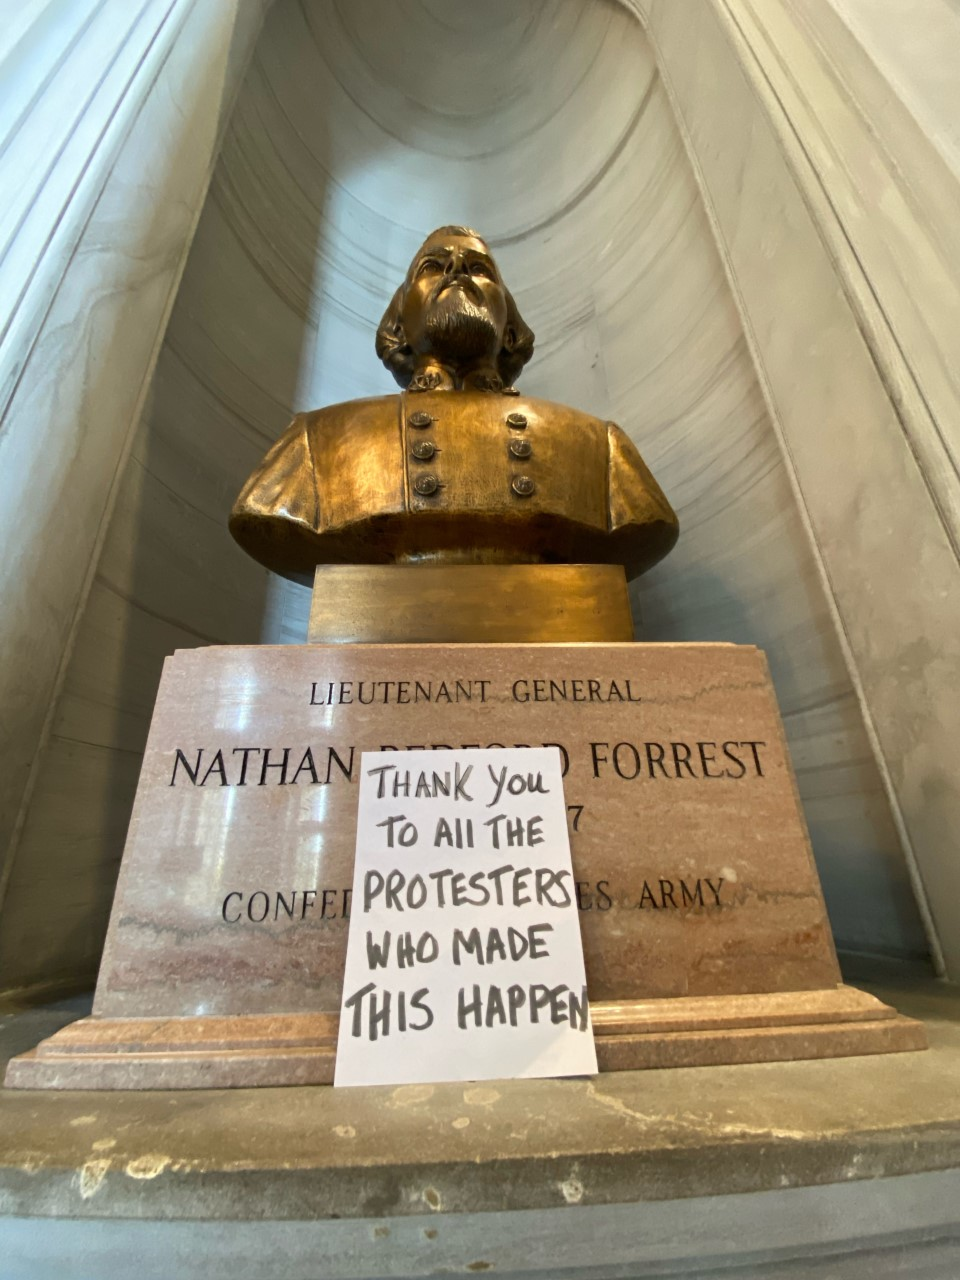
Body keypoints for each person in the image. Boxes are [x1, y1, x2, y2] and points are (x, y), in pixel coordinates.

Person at [229, 226, 678, 584]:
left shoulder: (599, 447)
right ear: (399, 323)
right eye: (433, 266)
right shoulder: (316, 442)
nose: (457, 271)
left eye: (479, 268)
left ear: (510, 328)